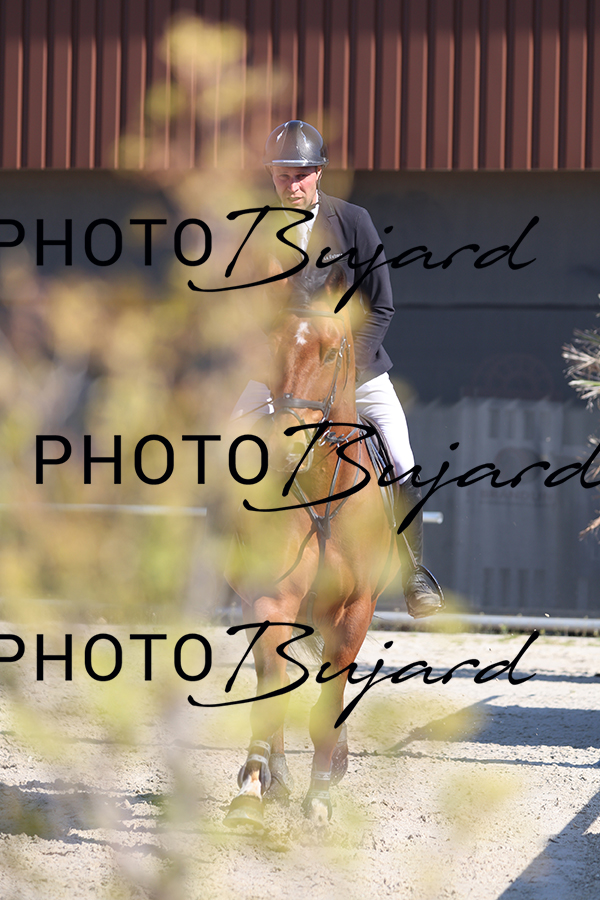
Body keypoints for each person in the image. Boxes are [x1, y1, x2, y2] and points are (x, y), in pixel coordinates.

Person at [235, 120, 443, 618]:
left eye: (301, 174)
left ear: (319, 173)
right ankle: (213, 569)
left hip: (354, 373)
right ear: (271, 176)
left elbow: (381, 304)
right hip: (281, 375)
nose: (292, 184)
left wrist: (345, 371)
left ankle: (415, 572)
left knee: (401, 459)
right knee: (225, 445)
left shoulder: (352, 221)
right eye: (283, 175)